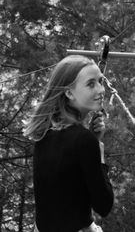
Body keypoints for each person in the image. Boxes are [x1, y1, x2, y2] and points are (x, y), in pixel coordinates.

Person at [24, 55, 114, 232]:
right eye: (91, 84)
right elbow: (104, 205)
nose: (101, 89)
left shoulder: (45, 132)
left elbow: (66, 191)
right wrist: (98, 150)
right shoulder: (83, 140)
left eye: (100, 81)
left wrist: (92, 141)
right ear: (69, 92)